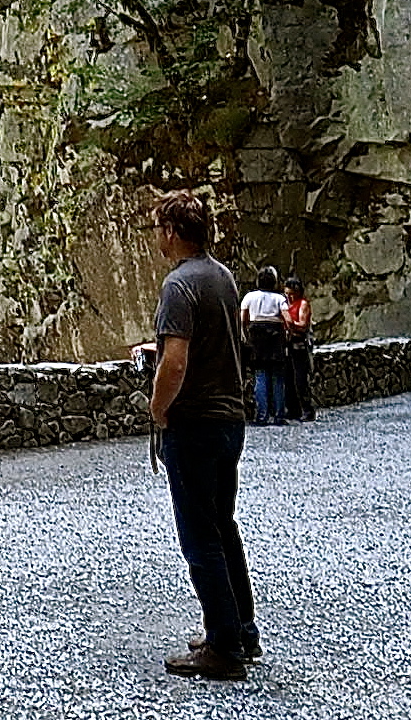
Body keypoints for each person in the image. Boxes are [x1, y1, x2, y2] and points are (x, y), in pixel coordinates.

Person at [147, 191, 257, 680]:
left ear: (172, 231)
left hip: (194, 424)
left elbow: (174, 361)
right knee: (224, 527)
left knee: (200, 538)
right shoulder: (223, 277)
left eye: (158, 229)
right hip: (230, 420)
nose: (157, 238)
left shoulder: (178, 286)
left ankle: (222, 648)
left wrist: (157, 408)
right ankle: (242, 630)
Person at [239, 266, 290, 425]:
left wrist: (247, 334)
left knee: (260, 376)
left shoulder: (249, 297)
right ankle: (279, 415)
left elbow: (243, 318)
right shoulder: (279, 298)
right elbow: (287, 319)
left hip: (257, 337)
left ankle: (262, 415)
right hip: (275, 337)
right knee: (277, 377)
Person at [282, 276, 316, 421]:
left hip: (299, 345)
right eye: (287, 294)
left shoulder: (302, 304)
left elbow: (303, 325)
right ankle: (293, 409)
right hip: (288, 345)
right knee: (288, 379)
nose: (289, 297)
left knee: (300, 379)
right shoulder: (286, 305)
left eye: (291, 294)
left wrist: (289, 323)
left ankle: (307, 409)